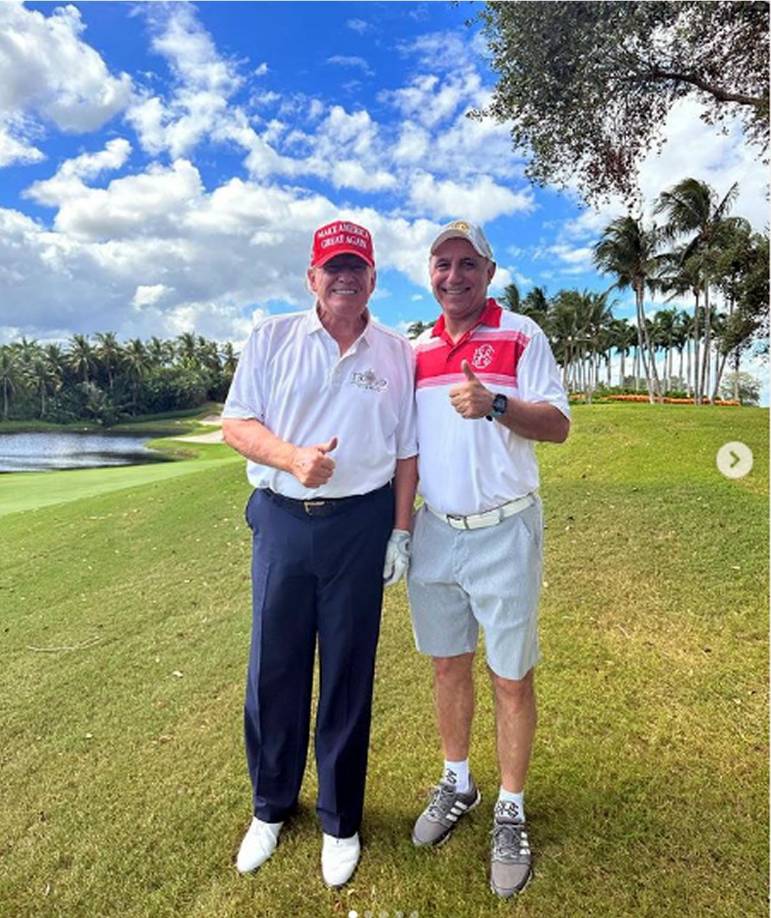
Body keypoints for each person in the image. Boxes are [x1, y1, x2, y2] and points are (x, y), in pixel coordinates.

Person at [221, 219, 417, 888]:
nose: (344, 277)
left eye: (355, 267)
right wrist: (291, 457)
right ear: (311, 276)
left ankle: (340, 820)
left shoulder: (395, 352)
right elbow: (236, 423)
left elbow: (405, 452)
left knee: (346, 673)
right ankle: (270, 807)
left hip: (359, 525)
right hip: (281, 520)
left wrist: (399, 531)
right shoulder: (271, 337)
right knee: (272, 669)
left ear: (372, 277)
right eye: (332, 266)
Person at [407, 220, 570, 898]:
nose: (454, 276)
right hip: (434, 532)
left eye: (466, 263)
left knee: (510, 677)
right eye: (442, 264)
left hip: (504, 530)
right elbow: (404, 451)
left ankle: (509, 806)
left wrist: (496, 402)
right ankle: (457, 783)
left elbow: (558, 425)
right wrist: (396, 532)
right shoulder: (414, 352)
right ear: (430, 273)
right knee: (448, 665)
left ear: (489, 271)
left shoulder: (522, 334)